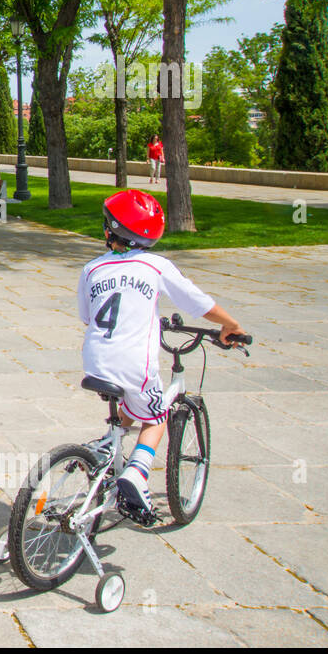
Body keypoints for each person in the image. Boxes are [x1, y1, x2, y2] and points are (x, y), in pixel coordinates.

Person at [77, 189, 245, 516]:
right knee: (157, 414)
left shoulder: (92, 269)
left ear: (111, 230)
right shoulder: (155, 265)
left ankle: (106, 445)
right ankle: (138, 474)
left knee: (133, 400)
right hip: (133, 362)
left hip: (95, 358)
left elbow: (87, 315)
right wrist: (229, 324)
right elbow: (196, 302)